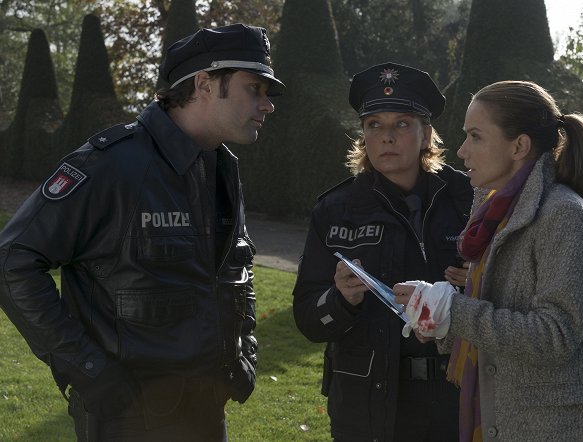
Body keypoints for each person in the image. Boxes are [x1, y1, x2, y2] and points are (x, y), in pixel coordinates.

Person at [0, 23, 284, 441]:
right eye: (254, 88)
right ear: (204, 84)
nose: (267, 104)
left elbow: (236, 269)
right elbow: (13, 261)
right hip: (127, 418)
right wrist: (90, 373)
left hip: (207, 412)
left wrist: (244, 353)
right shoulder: (113, 165)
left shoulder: (222, 168)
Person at [393, 80, 583, 441]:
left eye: (475, 136)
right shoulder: (495, 214)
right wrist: (440, 321)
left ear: (519, 146)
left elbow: (555, 336)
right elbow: (496, 316)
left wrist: (453, 311)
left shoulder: (564, 216)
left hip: (562, 428)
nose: (461, 151)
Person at [292, 62, 474, 441]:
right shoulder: (334, 209)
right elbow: (308, 319)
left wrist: (478, 283)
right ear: (363, 136)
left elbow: (511, 295)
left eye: (402, 123)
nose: (386, 137)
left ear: (426, 135)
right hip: (366, 409)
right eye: (374, 125)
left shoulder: (468, 199)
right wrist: (340, 299)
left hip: (455, 400)